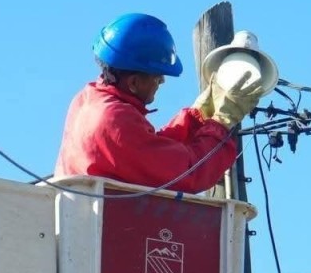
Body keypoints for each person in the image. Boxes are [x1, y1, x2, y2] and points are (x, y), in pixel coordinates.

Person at [54, 13, 263, 194]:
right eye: (157, 76)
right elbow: (188, 172)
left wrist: (197, 116)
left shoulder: (89, 99)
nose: (162, 81)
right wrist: (223, 124)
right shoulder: (115, 120)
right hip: (110, 229)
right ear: (134, 82)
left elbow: (148, 152)